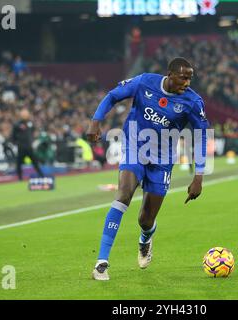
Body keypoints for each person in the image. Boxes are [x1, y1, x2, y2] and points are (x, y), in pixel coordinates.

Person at [87, 57, 209, 280]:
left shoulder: (192, 102)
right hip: (135, 148)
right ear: (170, 75)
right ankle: (101, 262)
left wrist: (198, 176)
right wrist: (96, 120)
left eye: (190, 78)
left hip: (162, 160)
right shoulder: (145, 83)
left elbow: (201, 137)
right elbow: (113, 95)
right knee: (123, 194)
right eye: (184, 77)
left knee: (145, 219)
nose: (188, 83)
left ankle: (146, 238)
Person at [11, 108, 44, 181]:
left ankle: (41, 175)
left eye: (26, 114)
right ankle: (20, 178)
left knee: (35, 162)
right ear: (21, 115)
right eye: (24, 114)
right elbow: (13, 136)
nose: (25, 115)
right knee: (19, 163)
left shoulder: (30, 123)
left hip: (29, 147)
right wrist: (16, 143)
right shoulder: (17, 124)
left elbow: (33, 132)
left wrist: (33, 140)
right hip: (21, 147)